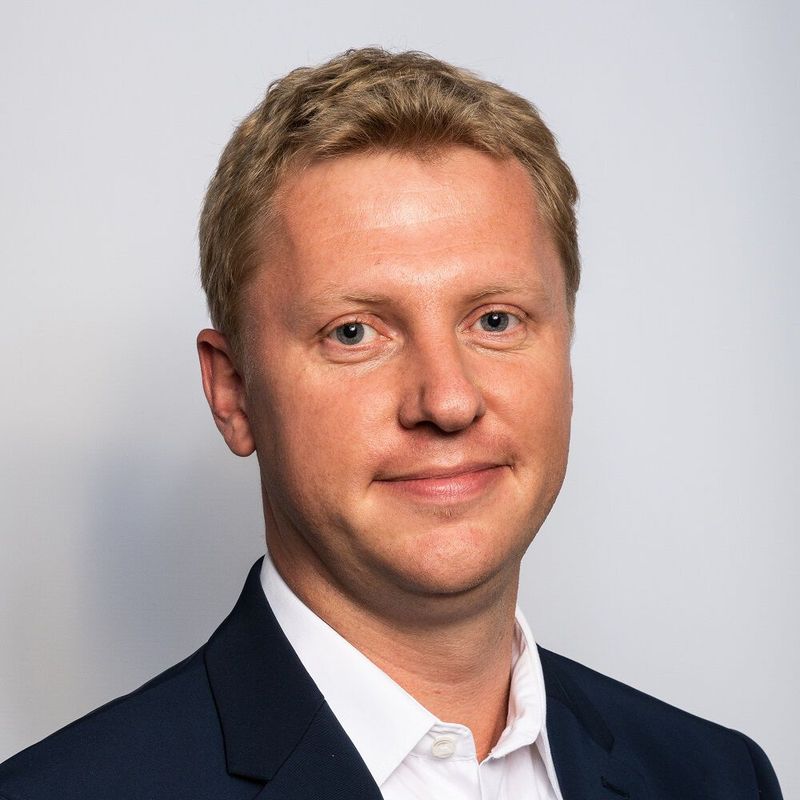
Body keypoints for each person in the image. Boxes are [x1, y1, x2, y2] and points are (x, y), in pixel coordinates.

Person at [0, 47, 783, 800]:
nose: (447, 401)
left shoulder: (717, 778)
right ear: (233, 393)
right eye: (354, 333)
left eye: (496, 319)